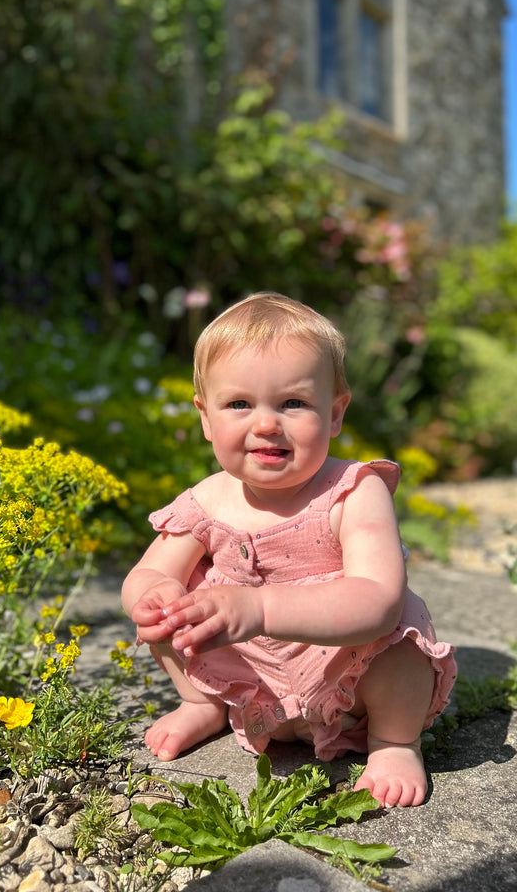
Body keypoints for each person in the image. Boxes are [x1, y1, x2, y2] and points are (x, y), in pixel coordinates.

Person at [121, 292, 456, 808]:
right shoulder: (205, 502)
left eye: (293, 403)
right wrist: (157, 597)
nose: (265, 424)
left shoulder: (352, 490)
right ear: (206, 419)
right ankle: (204, 702)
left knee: (402, 634)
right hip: (252, 683)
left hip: (349, 683)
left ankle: (393, 741)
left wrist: (259, 608)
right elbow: (146, 574)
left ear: (336, 413)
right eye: (238, 404)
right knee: (179, 605)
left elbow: (376, 599)